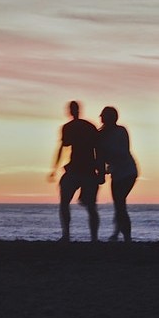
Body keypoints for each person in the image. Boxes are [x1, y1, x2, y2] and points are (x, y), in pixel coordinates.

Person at [48, 100, 100, 242]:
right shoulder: (87, 126)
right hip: (82, 169)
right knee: (85, 205)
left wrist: (54, 168)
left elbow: (62, 148)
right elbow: (98, 149)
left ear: (70, 111)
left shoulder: (72, 127)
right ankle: (85, 237)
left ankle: (70, 235)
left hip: (83, 169)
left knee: (77, 204)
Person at [97, 106, 138, 242]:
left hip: (128, 171)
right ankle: (119, 233)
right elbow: (100, 156)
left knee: (120, 203)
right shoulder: (101, 135)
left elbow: (122, 152)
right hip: (117, 173)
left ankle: (126, 236)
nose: (101, 118)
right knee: (119, 204)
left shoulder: (120, 131)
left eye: (103, 116)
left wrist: (105, 169)